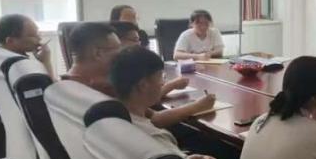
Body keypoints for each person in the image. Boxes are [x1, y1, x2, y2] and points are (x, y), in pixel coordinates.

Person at [108, 46, 220, 159]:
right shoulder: (152, 137)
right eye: (160, 77)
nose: (162, 83)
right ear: (143, 85)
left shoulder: (117, 115)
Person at [63, 22, 212, 128]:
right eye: (117, 49)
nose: (122, 53)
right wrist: (197, 106)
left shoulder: (64, 88)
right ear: (98, 53)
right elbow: (154, 120)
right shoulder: (101, 92)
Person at [0, 13, 55, 79]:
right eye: (33, 36)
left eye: (38, 33)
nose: (39, 38)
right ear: (10, 41)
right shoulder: (19, 66)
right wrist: (46, 62)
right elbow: (50, 85)